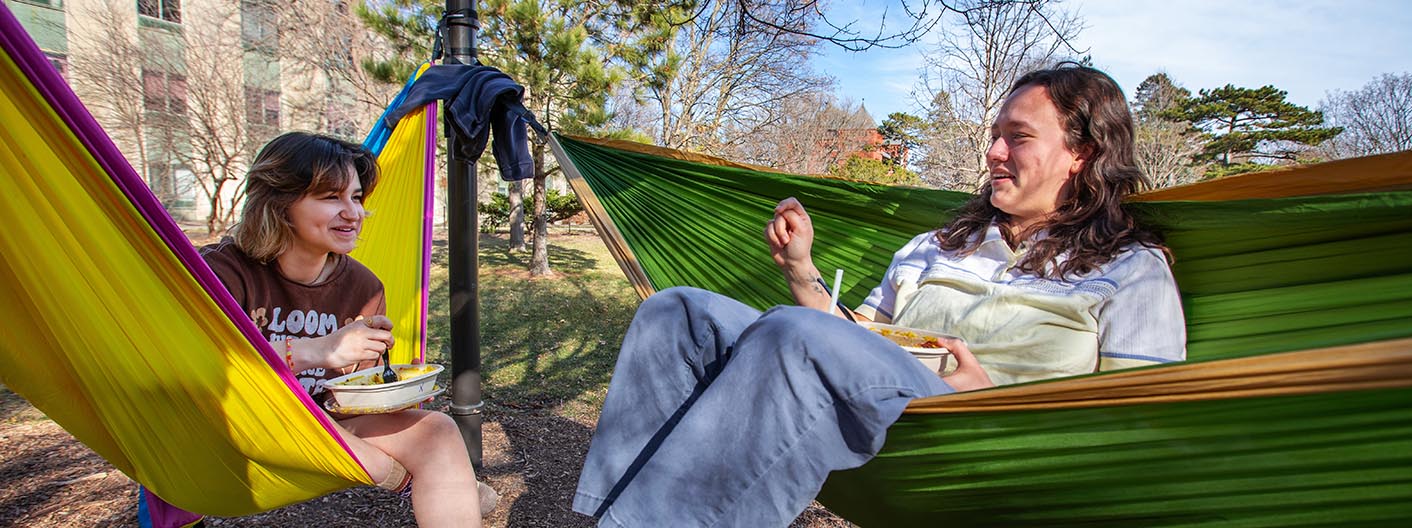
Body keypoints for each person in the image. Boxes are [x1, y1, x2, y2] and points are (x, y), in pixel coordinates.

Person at [572, 64, 1186, 527]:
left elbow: (1139, 421)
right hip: (885, 406)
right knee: (679, 312)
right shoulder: (937, 245)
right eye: (995, 135)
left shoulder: (1131, 269)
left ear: (1082, 154)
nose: (994, 152)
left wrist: (996, 400)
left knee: (794, 332)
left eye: (1018, 137)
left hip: (993, 431)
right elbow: (851, 336)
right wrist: (801, 269)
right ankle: (613, 515)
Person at [200, 132, 495, 527]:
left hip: (323, 427)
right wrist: (315, 352)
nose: (352, 213)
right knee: (414, 469)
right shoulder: (220, 273)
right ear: (280, 203)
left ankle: (416, 480)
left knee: (438, 432)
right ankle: (407, 479)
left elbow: (348, 399)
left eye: (355, 197)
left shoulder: (364, 287)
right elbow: (194, 367)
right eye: (330, 197)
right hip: (237, 426)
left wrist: (381, 380)